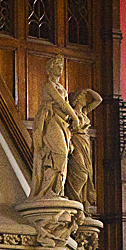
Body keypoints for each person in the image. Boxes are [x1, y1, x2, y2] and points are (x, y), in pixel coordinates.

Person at [28, 55, 82, 200]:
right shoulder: (48, 85)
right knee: (58, 153)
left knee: (63, 156)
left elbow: (66, 106)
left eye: (61, 67)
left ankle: (58, 190)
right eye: (57, 67)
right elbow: (62, 103)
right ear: (50, 69)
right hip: (50, 121)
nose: (60, 69)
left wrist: (74, 117)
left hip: (62, 123)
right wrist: (75, 116)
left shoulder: (61, 87)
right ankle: (46, 191)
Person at [65, 88, 102, 209]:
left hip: (85, 143)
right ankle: (75, 202)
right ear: (76, 100)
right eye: (82, 97)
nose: (85, 99)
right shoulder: (71, 113)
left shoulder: (84, 112)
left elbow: (98, 100)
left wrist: (89, 91)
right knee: (81, 174)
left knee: (88, 174)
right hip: (76, 141)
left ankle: (82, 203)